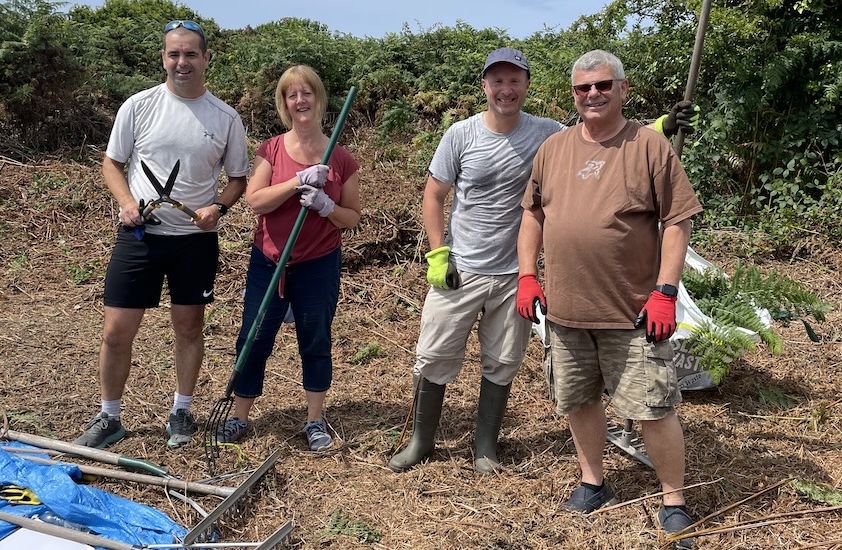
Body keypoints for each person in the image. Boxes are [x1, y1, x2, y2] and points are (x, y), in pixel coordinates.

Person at [388, 47, 696, 475]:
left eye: (515, 80)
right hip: (462, 269)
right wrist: (439, 252)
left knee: (503, 358)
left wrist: (660, 127)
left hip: (515, 275)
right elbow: (434, 195)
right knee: (435, 354)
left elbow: (602, 138)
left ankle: (485, 446)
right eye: (498, 81)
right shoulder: (461, 135)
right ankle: (422, 441)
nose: (506, 89)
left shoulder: (547, 134)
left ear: (527, 86)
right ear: (485, 86)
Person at [516, 49, 703, 545]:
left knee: (652, 407)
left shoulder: (648, 147)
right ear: (573, 95)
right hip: (567, 311)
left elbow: (677, 220)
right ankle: (593, 480)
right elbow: (532, 214)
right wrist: (526, 276)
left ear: (623, 89)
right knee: (577, 399)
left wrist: (665, 291)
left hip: (632, 311)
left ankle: (673, 498)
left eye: (603, 85)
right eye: (583, 88)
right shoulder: (553, 149)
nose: (593, 94)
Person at [74, 20, 250, 449]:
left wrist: (218, 207)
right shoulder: (138, 106)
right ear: (163, 58)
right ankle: (109, 416)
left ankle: (182, 410)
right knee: (116, 331)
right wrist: (126, 202)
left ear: (207, 59)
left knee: (189, 327)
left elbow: (238, 179)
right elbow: (112, 164)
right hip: (139, 236)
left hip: (194, 241)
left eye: (191, 54)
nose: (182, 62)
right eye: (174, 54)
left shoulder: (225, 117)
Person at [214, 65, 361, 451]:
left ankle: (315, 420)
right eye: (291, 95)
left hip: (318, 264)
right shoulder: (273, 149)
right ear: (284, 103)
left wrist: (327, 205)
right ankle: (239, 415)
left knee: (315, 339)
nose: (300, 101)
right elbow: (255, 200)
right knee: (255, 336)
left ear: (319, 98)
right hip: (269, 261)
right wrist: (297, 181)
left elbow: (352, 217)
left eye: (307, 93)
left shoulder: (341, 159)